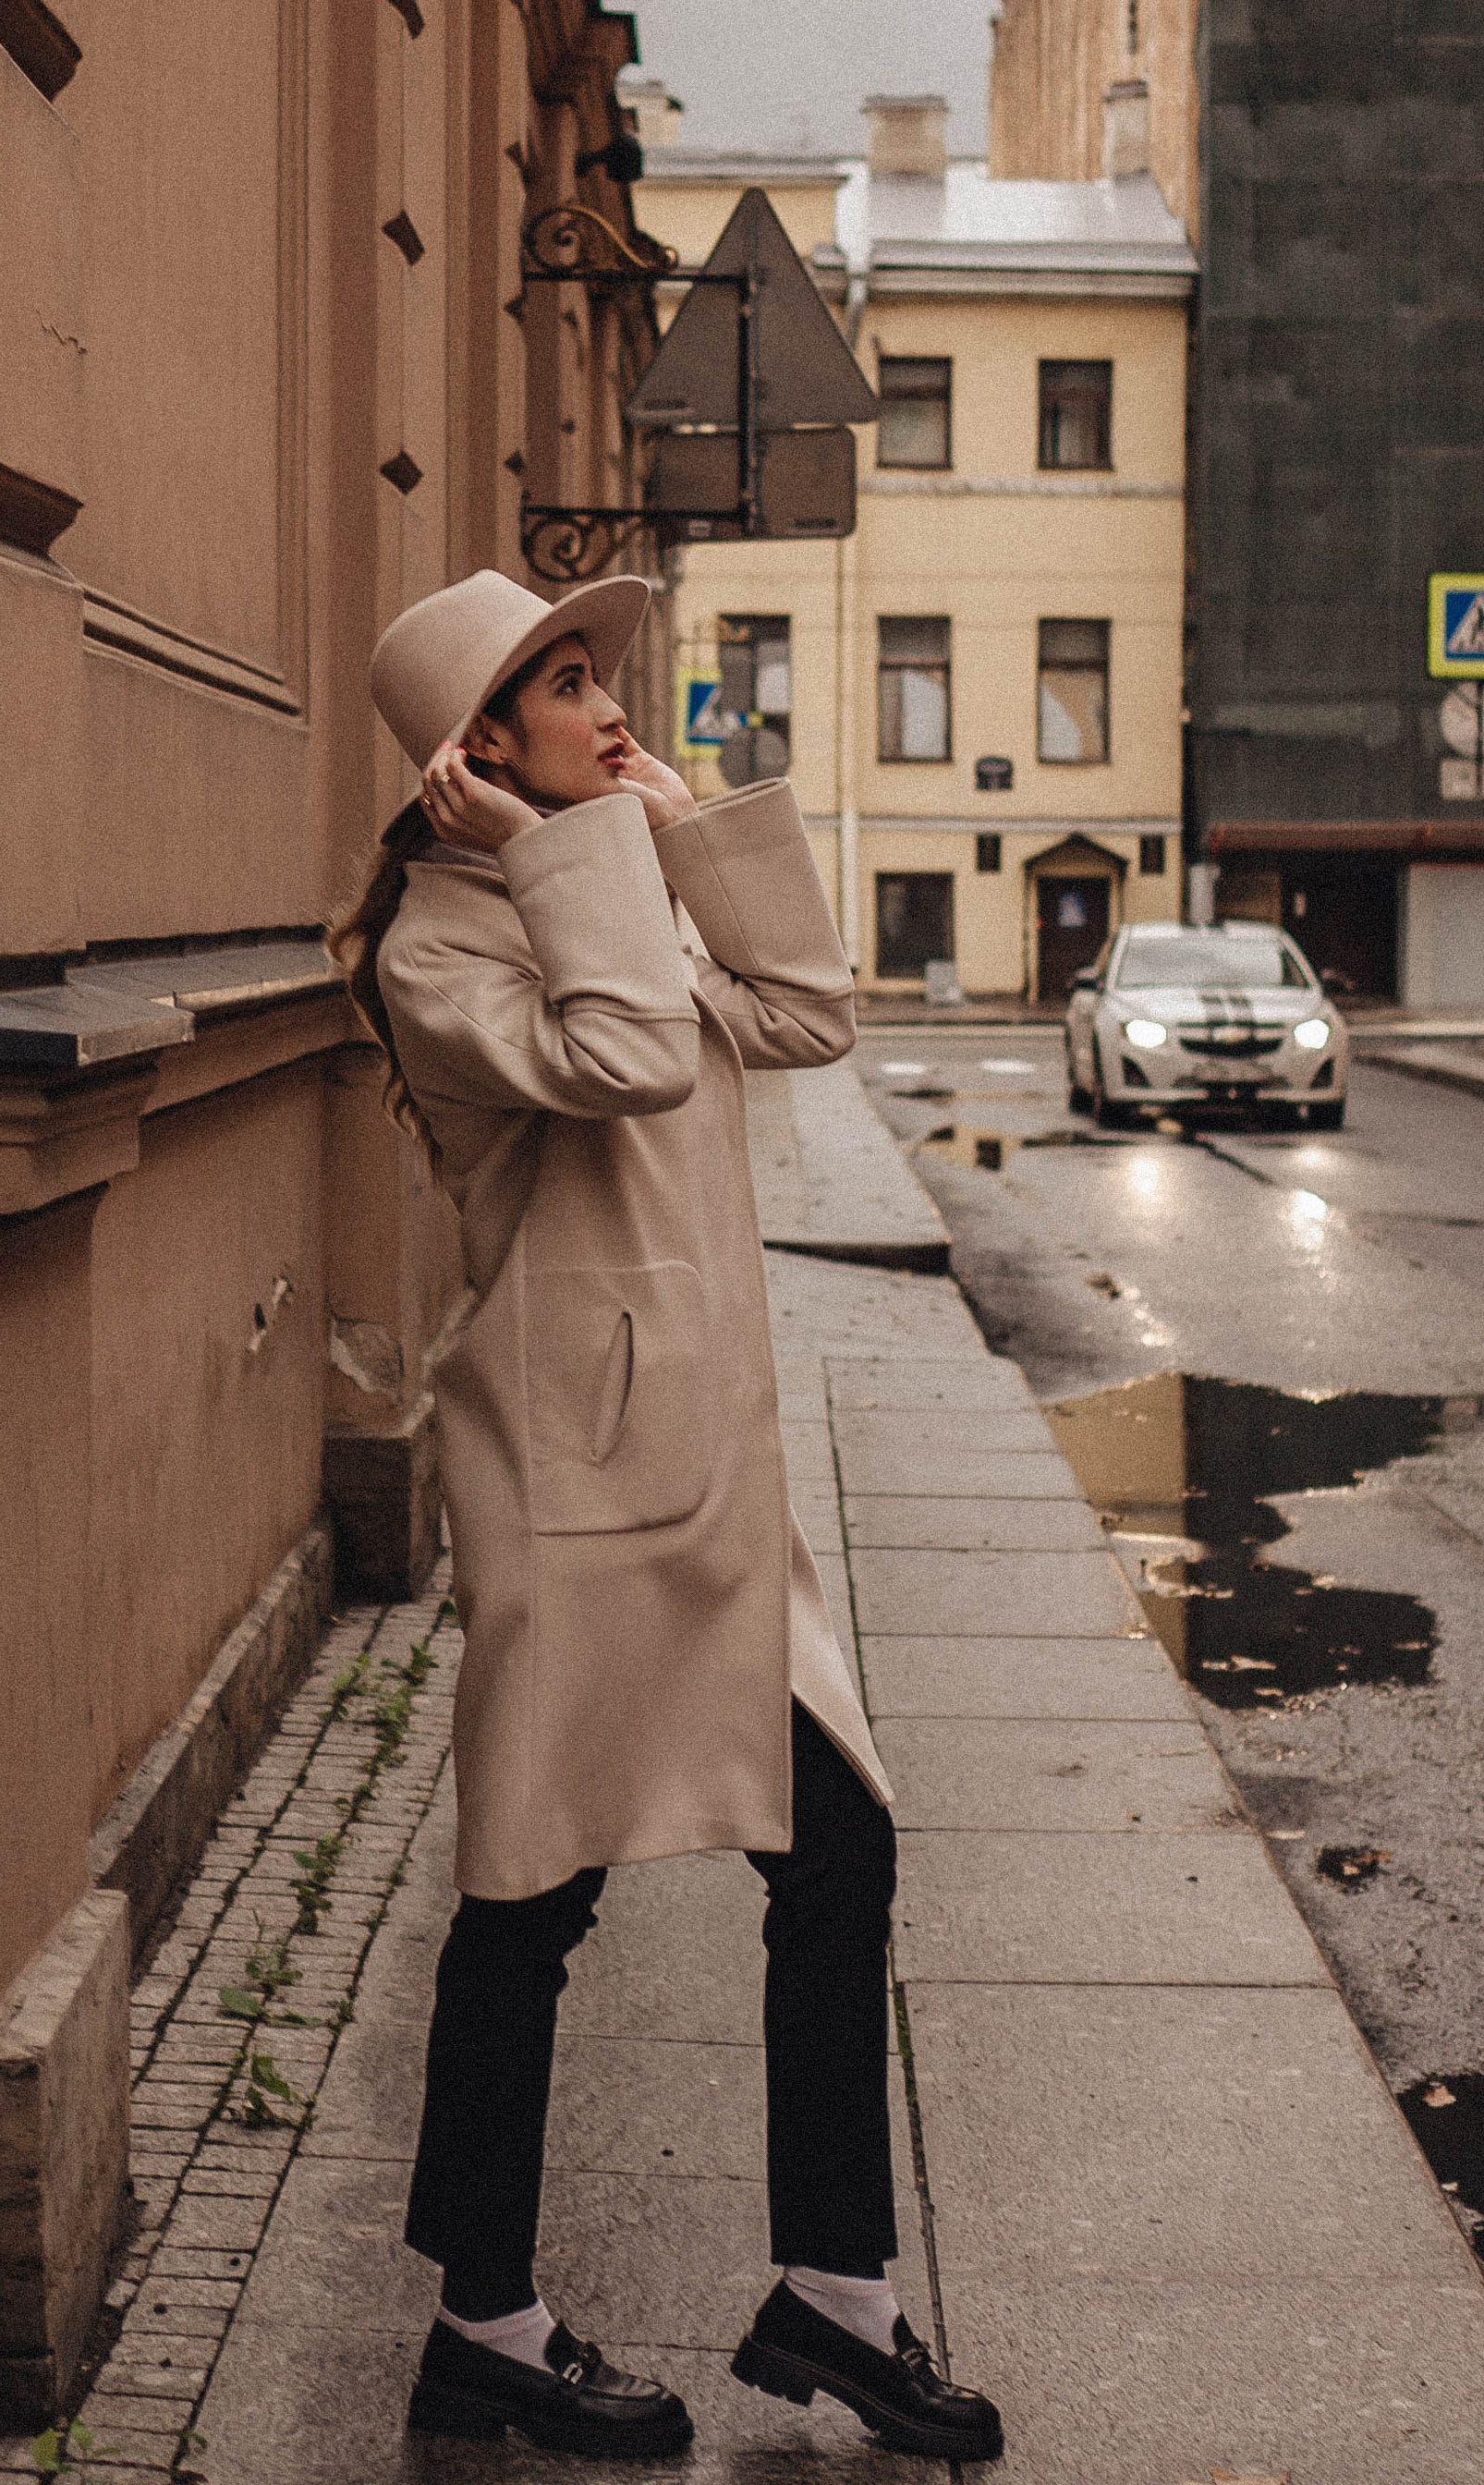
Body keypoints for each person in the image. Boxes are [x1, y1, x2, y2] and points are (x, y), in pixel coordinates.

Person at [331, 568, 1003, 2466]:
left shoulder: (602, 879)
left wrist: (678, 825)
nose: (604, 699)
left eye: (597, 668)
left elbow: (800, 1007)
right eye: (557, 684)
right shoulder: (444, 953)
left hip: (705, 1483)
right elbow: (626, 1055)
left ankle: (834, 2298)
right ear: (473, 757)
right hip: (580, 1485)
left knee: (837, 1855)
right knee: (530, 1898)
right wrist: (584, 860)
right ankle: (484, 2316)